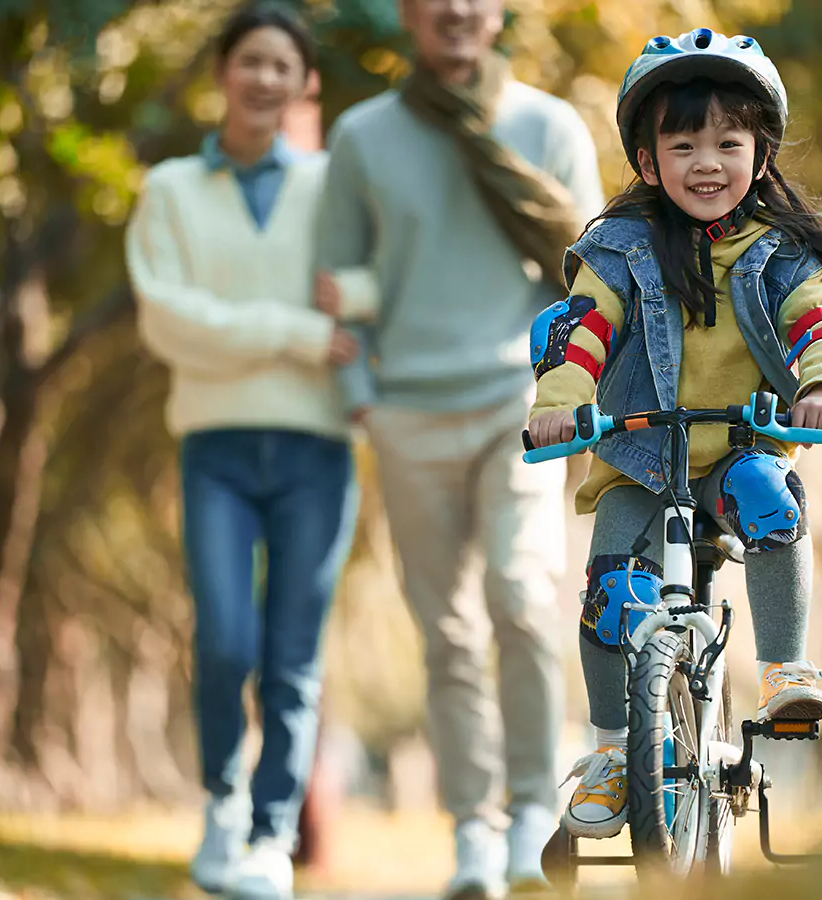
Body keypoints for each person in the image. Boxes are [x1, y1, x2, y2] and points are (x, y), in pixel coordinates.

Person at [524, 28, 822, 839]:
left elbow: (815, 319)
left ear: (761, 151)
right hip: (643, 459)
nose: (707, 162)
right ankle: (614, 752)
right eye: (683, 144)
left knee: (774, 497)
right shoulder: (618, 249)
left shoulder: (779, 252)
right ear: (648, 162)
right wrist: (562, 397)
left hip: (738, 448)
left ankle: (784, 667)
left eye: (728, 141)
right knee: (612, 593)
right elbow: (581, 327)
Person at [314, 0, 604, 895]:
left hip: (519, 408)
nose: (455, 9)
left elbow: (598, 276)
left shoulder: (548, 126)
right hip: (407, 415)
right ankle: (473, 833)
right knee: (445, 634)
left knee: (520, 599)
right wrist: (363, 400)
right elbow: (333, 281)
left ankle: (527, 818)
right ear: (406, 12)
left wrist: (575, 391)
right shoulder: (361, 138)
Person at [125, 5, 373, 898]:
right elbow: (169, 322)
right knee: (227, 642)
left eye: (284, 66)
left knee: (292, 658)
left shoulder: (333, 184)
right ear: (223, 71)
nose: (266, 79)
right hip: (216, 449)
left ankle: (272, 838)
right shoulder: (168, 194)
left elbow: (377, 285)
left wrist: (349, 298)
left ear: (303, 83)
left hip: (317, 452)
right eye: (250, 61)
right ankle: (223, 804)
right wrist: (301, 333)